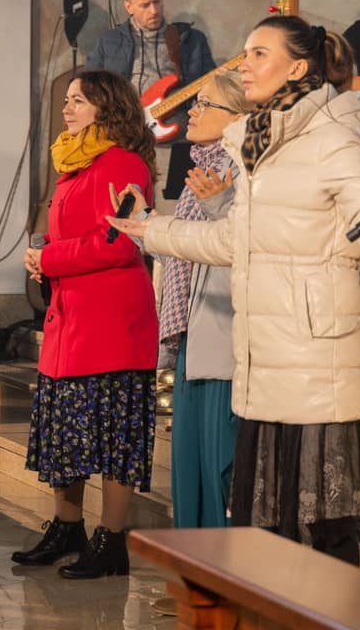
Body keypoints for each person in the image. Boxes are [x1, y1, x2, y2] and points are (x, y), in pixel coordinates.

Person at [108, 15, 360, 566]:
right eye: (245, 53)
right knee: (266, 521)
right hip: (263, 355)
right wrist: (149, 229)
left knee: (321, 522)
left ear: (297, 68)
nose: (244, 65)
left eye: (259, 54)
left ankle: (332, 609)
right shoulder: (261, 141)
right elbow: (234, 239)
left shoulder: (334, 135)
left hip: (313, 353)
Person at [10, 70, 158, 579]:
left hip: (111, 323)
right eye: (67, 99)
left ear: (106, 107)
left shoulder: (124, 163)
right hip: (71, 318)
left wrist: (50, 258)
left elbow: (118, 242)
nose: (67, 108)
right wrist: (43, 256)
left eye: (78, 100)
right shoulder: (75, 164)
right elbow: (71, 235)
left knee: (114, 436)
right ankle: (67, 528)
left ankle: (112, 541)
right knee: (66, 435)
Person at [150, 69, 251, 529]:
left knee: (218, 470)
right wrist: (143, 223)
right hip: (194, 332)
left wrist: (218, 205)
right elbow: (185, 250)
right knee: (188, 470)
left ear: (236, 117)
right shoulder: (202, 167)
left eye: (204, 103)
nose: (193, 111)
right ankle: (191, 564)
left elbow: (242, 243)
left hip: (226, 337)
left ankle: (220, 565)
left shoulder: (244, 169)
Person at [86, 0, 215, 98]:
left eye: (157, 1)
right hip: (127, 112)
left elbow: (213, 86)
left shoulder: (193, 40)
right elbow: (88, 88)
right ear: (129, 7)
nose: (154, 11)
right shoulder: (107, 42)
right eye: (145, 5)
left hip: (178, 110)